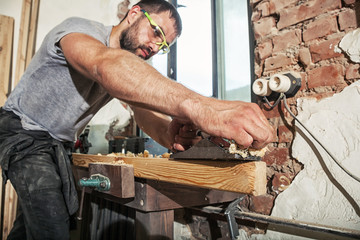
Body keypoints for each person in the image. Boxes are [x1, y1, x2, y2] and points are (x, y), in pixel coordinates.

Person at [0, 0, 274, 239]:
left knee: (28, 228)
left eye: (163, 45)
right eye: (156, 32)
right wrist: (207, 109)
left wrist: (170, 134)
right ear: (133, 14)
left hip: (54, 144)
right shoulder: (79, 31)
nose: (155, 46)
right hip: (22, 130)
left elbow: (142, 111)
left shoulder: (124, 64)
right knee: (53, 228)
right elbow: (105, 65)